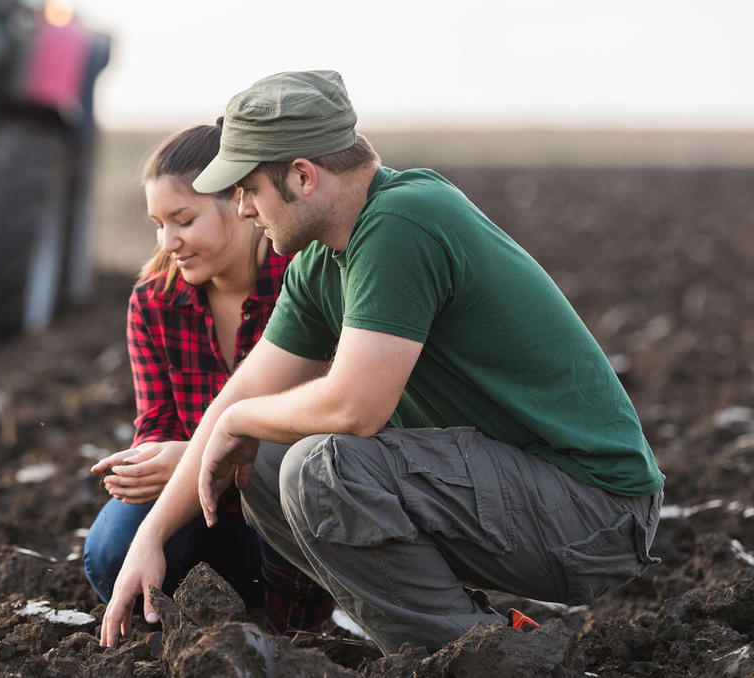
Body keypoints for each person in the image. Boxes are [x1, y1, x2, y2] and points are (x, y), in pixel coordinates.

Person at [100, 70, 664, 654]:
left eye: (248, 190)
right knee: (266, 464)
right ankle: (470, 641)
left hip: (593, 511)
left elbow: (354, 407)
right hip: (514, 493)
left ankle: (494, 659)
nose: (242, 210)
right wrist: (153, 537)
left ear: (301, 176)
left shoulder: (402, 222)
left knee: (322, 467)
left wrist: (240, 422)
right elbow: (237, 400)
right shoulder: (320, 261)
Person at [84, 124, 334, 635]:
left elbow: (326, 422)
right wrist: (160, 459)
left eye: (184, 219)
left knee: (291, 481)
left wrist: (204, 456)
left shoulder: (302, 281)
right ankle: (190, 624)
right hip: (200, 510)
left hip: (291, 506)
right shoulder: (154, 300)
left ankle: (294, 634)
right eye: (158, 224)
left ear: (241, 202)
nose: (167, 241)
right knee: (111, 549)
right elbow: (155, 422)